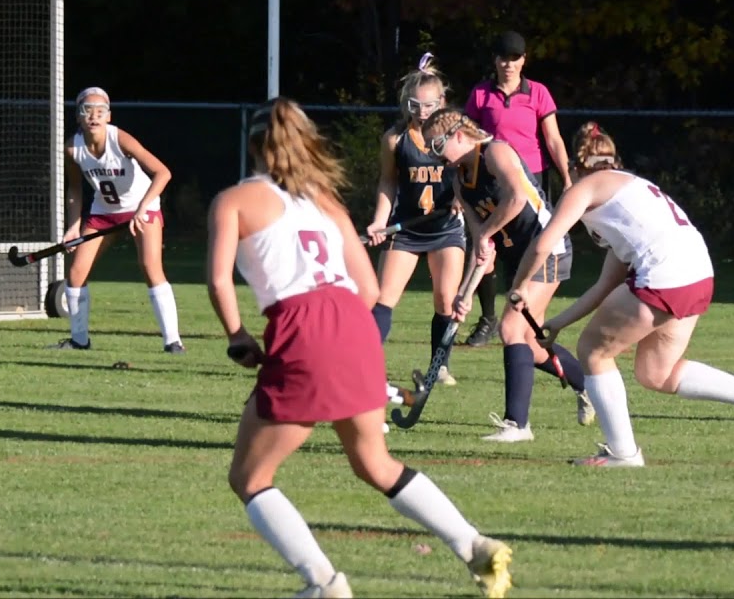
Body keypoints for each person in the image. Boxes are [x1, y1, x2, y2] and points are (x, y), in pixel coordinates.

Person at [206, 97, 513, 598]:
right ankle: (475, 546)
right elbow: (370, 292)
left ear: (253, 145)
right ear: (305, 141)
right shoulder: (324, 200)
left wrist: (238, 335)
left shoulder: (235, 201)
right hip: (354, 322)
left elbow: (220, 281)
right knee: (375, 462)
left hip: (302, 326)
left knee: (250, 476)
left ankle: (324, 584)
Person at [510, 123, 734, 467]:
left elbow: (544, 245)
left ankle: (623, 453)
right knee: (656, 372)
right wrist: (560, 323)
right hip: (698, 273)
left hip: (666, 275)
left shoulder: (583, 188)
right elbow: (605, 284)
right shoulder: (630, 191)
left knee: (593, 351)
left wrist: (519, 284)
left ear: (575, 168)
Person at [421, 108, 593, 442]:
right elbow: (482, 247)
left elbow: (515, 198)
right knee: (528, 343)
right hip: (518, 258)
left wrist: (486, 231)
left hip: (546, 246)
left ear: (459, 135)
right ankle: (589, 383)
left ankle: (517, 424)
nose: (433, 154)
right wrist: (465, 293)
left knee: (511, 328)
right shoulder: (459, 181)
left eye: (437, 145)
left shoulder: (495, 152)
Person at [48, 87, 184, 353]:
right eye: (87, 110)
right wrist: (73, 226)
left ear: (109, 116)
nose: (94, 116)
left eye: (101, 111)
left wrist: (142, 209)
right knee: (75, 273)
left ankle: (173, 342)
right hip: (104, 212)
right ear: (78, 117)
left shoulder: (119, 139)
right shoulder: (72, 149)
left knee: (150, 266)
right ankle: (79, 341)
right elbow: (75, 189)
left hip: (141, 207)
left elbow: (163, 172)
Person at [460, 30, 572, 348]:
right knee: (486, 247)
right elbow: (466, 138)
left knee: (526, 251)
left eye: (514, 57)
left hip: (529, 181)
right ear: (495, 60)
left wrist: (566, 177)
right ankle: (487, 319)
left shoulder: (537, 93)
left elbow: (552, 138)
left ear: (523, 60)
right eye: (503, 57)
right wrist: (463, 189)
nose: (508, 64)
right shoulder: (481, 95)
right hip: (492, 184)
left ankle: (523, 319)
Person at [363, 53, 466, 386]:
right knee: (383, 297)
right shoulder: (395, 139)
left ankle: (440, 366)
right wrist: (380, 221)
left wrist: (463, 201)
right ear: (407, 103)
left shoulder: (458, 135)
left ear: (443, 102)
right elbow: (388, 181)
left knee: (445, 298)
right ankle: (362, 362)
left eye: (430, 106)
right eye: (416, 105)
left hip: (446, 228)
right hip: (406, 228)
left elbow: (473, 174)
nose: (423, 113)